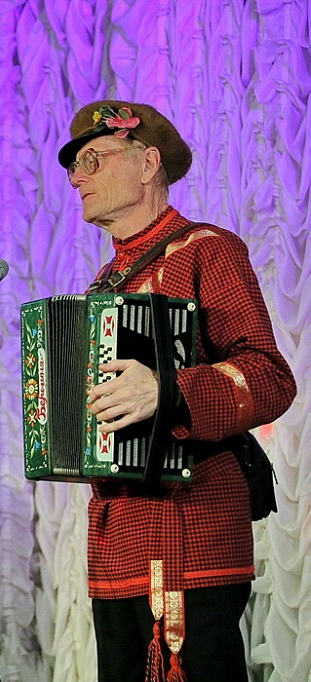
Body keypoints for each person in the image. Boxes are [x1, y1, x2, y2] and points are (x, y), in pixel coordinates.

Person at [56, 101, 297, 681]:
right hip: (115, 541)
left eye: (93, 159)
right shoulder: (102, 286)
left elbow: (270, 376)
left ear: (148, 164)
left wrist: (168, 390)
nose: (76, 178)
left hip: (190, 529)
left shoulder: (207, 249)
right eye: (73, 167)